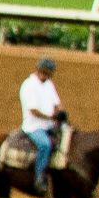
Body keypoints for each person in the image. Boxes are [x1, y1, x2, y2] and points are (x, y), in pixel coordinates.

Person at [18, 54, 65, 190]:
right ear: (38, 69)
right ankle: (39, 178)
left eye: (49, 74)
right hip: (34, 127)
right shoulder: (28, 85)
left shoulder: (49, 84)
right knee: (45, 145)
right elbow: (33, 111)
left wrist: (61, 113)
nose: (46, 76)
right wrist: (52, 117)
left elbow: (57, 103)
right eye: (44, 73)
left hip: (50, 124)